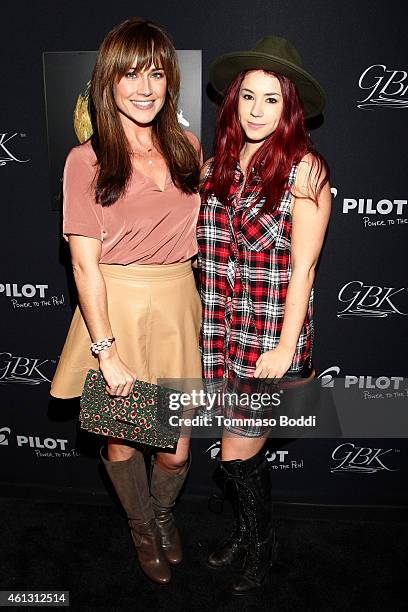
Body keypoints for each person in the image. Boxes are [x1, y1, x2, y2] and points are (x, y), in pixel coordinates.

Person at [50, 18, 203, 585]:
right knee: (121, 437)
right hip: (116, 311)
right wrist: (105, 349)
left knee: (177, 449)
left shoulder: (188, 147)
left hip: (177, 308)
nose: (145, 87)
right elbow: (83, 263)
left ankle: (162, 512)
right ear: (108, 82)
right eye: (131, 74)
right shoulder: (84, 161)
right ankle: (142, 527)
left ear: (170, 82)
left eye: (157, 73)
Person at [197, 36, 331, 595]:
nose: (256, 110)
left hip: (267, 338)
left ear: (290, 107)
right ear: (233, 102)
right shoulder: (218, 168)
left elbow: (304, 270)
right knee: (235, 453)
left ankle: (259, 543)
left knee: (236, 454)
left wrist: (281, 347)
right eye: (247, 97)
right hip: (222, 333)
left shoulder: (304, 173)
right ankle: (250, 535)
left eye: (271, 100)